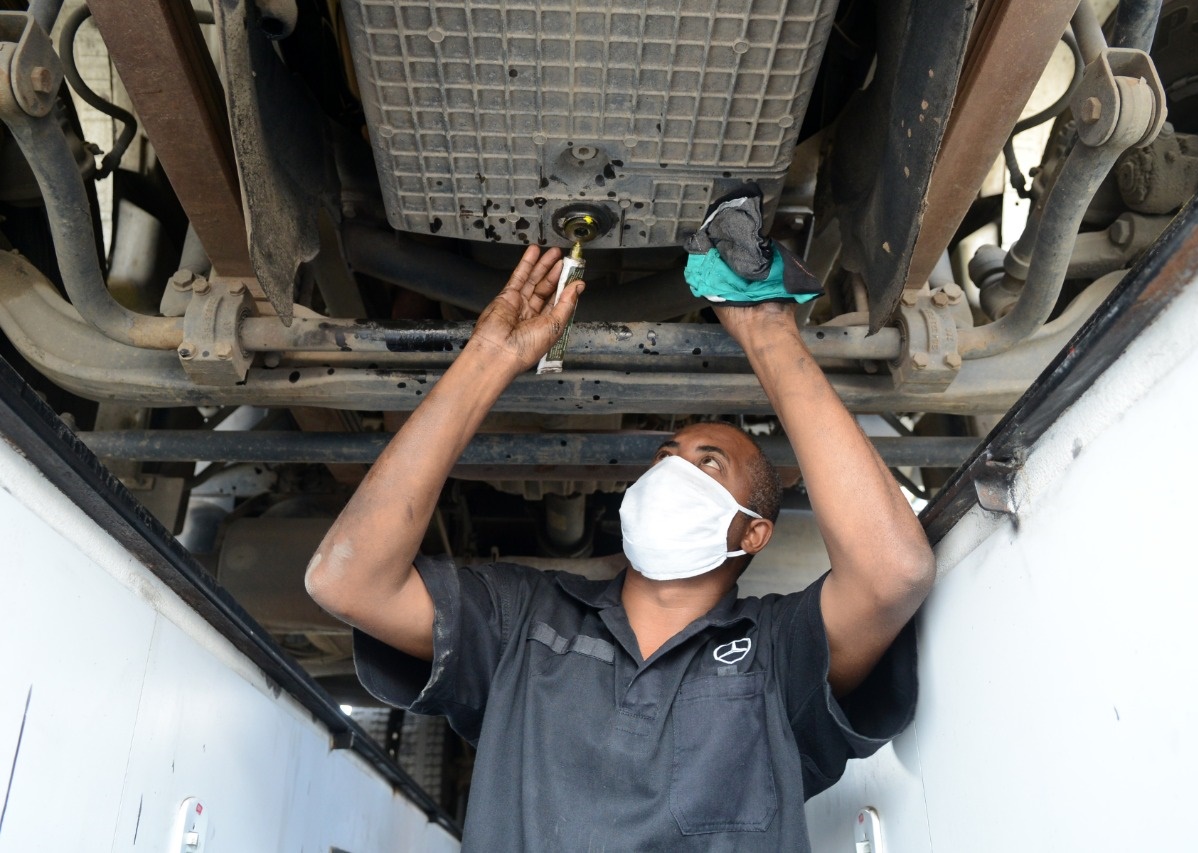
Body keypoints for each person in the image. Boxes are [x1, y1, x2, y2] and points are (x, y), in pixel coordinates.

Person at [305, 245, 936, 851]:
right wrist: (488, 356)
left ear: (752, 532)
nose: (671, 470)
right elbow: (348, 581)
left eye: (707, 463)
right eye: (666, 456)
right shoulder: (524, 621)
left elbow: (894, 572)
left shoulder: (776, 654)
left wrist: (770, 335)